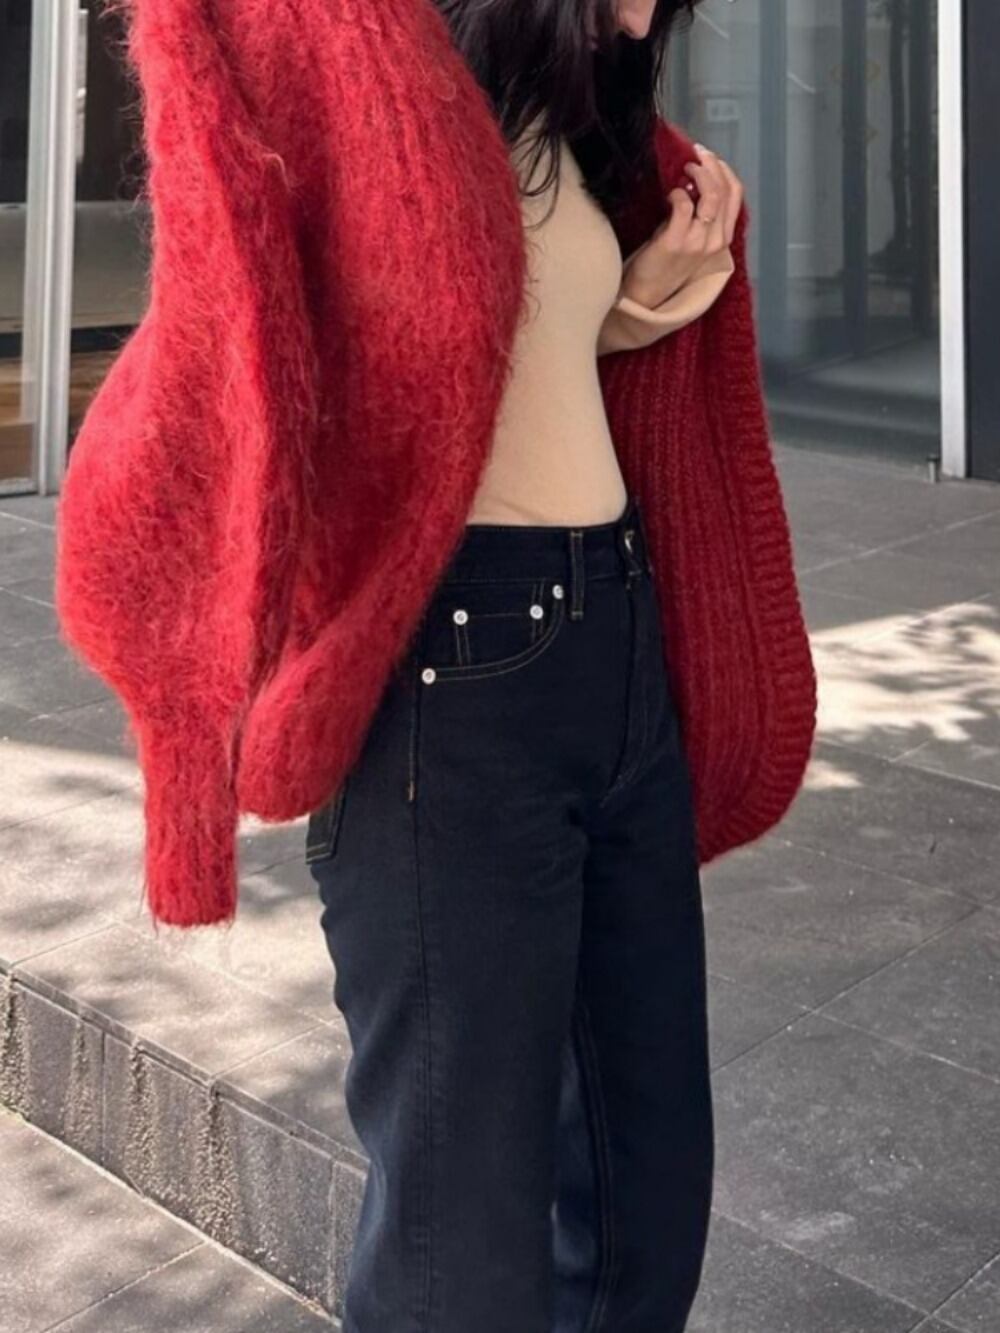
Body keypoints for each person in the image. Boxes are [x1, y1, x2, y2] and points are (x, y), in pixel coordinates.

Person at [305, 2, 738, 1329]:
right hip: (455, 677)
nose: (642, 15)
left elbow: (505, 354)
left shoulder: (560, 115)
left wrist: (635, 300)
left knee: (646, 1178)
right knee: (463, 1234)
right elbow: (322, 368)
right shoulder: (383, 84)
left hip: (615, 643)